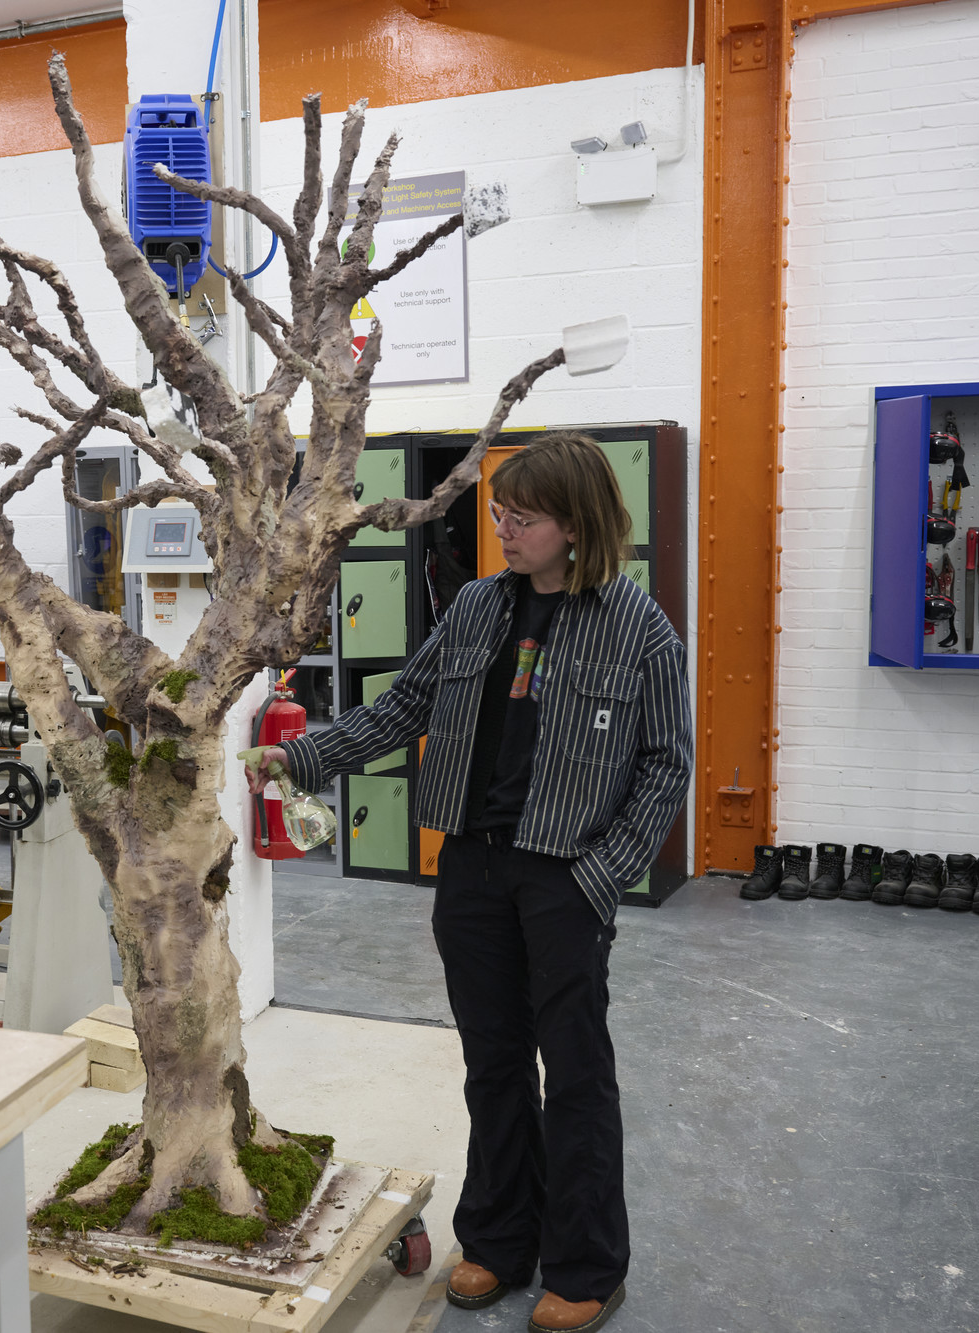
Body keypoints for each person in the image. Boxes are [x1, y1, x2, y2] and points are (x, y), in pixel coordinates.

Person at [248, 433, 692, 1333]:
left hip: (566, 878)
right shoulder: (482, 605)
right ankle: (497, 1236)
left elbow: (665, 763)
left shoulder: (638, 625)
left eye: (520, 518)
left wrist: (601, 878)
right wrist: (302, 757)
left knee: (573, 1074)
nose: (502, 531)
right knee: (491, 1064)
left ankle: (587, 1264)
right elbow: (408, 702)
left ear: (576, 525)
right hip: (475, 870)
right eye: (497, 513)